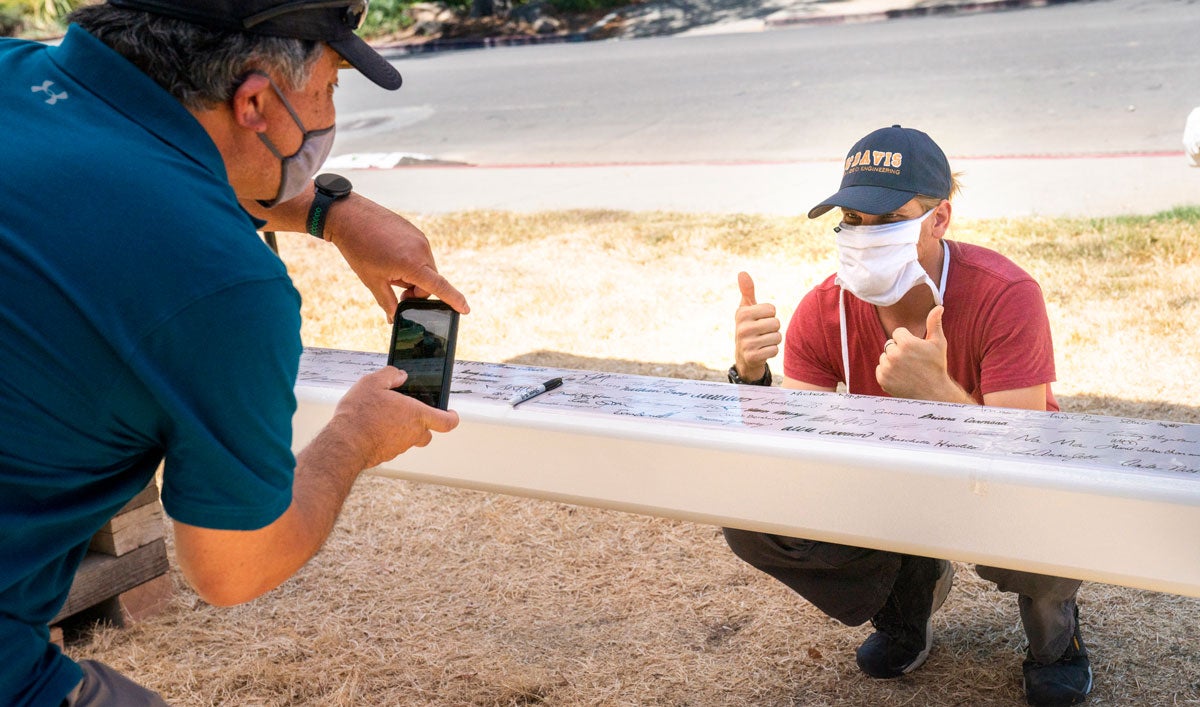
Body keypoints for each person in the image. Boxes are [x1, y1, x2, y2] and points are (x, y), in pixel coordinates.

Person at [0, 1, 470, 704]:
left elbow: (126, 170)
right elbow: (232, 568)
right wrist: (354, 436)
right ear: (255, 100)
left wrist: (329, 211)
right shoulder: (225, 287)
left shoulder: (16, 77)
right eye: (332, 84)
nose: (330, 109)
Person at [722, 126, 1092, 706]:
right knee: (755, 520)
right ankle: (906, 599)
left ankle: (1055, 639)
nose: (863, 237)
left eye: (888, 219)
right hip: (895, 487)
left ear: (939, 218)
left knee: (1050, 513)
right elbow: (788, 457)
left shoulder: (1007, 294)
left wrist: (937, 394)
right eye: (852, 218)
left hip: (999, 485)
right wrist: (751, 377)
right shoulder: (826, 307)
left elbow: (1026, 454)